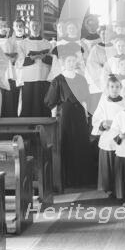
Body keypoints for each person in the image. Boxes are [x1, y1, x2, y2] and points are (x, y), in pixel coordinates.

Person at [45, 50, 93, 187]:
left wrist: (85, 114)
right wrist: (54, 116)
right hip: (65, 114)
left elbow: (86, 99)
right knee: (66, 142)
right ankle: (66, 179)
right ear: (64, 63)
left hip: (79, 114)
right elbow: (51, 100)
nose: (72, 64)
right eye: (69, 61)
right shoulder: (58, 80)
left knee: (80, 143)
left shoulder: (81, 78)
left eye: (73, 61)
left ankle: (81, 179)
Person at [90, 75, 125, 197]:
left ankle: (120, 188)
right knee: (108, 165)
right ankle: (109, 188)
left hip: (121, 137)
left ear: (121, 88)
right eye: (112, 87)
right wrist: (102, 124)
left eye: (117, 87)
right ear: (107, 88)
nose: (114, 89)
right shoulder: (104, 101)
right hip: (107, 137)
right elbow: (96, 119)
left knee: (120, 165)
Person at [17, 19, 53, 117]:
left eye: (37, 25)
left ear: (40, 27)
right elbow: (19, 61)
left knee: (43, 103)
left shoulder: (47, 43)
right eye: (32, 25)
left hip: (43, 76)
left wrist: (44, 58)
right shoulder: (23, 43)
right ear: (28, 27)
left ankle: (44, 125)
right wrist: (32, 58)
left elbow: (53, 61)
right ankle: (27, 126)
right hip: (28, 77)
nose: (35, 27)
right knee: (28, 102)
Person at [0, 16, 20, 117]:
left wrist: (7, 56)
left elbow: (16, 55)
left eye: (4, 25)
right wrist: (6, 56)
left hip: (10, 73)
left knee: (11, 102)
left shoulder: (12, 40)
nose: (2, 27)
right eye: (0, 25)